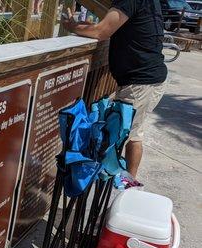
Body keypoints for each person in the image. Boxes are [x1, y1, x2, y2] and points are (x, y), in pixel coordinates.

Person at [62, 0, 167, 180]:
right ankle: (128, 185)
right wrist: (83, 26)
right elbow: (112, 27)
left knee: (119, 140)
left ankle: (126, 185)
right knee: (134, 134)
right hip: (150, 79)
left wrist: (73, 27)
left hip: (139, 83)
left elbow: (101, 32)